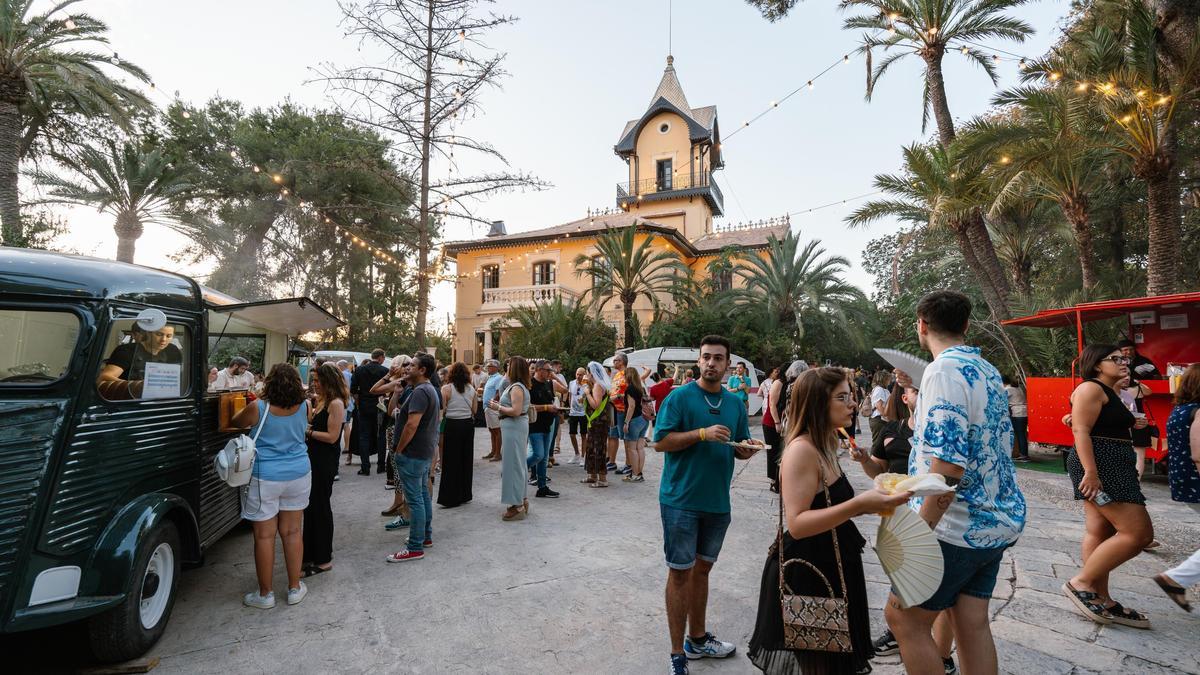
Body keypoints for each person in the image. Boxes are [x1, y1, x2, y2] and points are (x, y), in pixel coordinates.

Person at [886, 290, 1026, 675]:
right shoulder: (987, 370)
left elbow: (948, 467)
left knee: (904, 621)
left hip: (955, 528)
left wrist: (920, 531)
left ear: (922, 325)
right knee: (971, 622)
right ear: (966, 325)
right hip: (994, 520)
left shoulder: (942, 372)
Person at [749, 368, 911, 675]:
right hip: (808, 572)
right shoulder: (802, 451)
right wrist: (858, 505)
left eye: (850, 396)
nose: (852, 404)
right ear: (817, 403)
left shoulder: (827, 444)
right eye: (842, 397)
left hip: (830, 565)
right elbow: (797, 523)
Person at [653, 335, 763, 674]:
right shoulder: (679, 398)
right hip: (680, 501)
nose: (712, 363)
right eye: (706, 357)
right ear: (698, 362)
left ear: (728, 364)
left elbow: (738, 443)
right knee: (680, 573)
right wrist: (700, 434)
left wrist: (746, 449)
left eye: (718, 358)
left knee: (702, 571)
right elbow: (660, 442)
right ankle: (677, 654)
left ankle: (697, 640)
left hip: (717, 502)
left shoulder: (734, 404)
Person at [1061, 344, 1154, 627]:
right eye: (1115, 359)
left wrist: (1132, 424)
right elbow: (1081, 430)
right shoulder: (1091, 388)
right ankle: (1083, 582)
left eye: (1124, 358)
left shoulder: (1111, 392)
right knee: (1139, 533)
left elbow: (1090, 423)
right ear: (1097, 364)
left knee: (1100, 530)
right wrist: (1090, 472)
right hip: (1102, 466)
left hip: (1113, 462)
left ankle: (1102, 598)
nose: (1124, 362)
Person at [231, 364, 312, 608]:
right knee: (293, 532)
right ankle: (294, 588)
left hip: (265, 476)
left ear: (269, 383)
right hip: (299, 473)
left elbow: (236, 422)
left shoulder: (258, 407)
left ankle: (265, 594)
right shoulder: (305, 406)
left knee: (264, 536)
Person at [384, 353, 440, 563]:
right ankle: (425, 537)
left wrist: (399, 449)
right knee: (422, 496)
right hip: (422, 452)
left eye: (412, 365)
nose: (407, 368)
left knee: (415, 499)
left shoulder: (421, 392)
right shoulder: (427, 390)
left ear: (423, 370)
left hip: (413, 454)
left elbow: (411, 424)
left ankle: (415, 546)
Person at [1154, 363, 1200, 612]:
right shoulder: (1198, 412)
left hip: (1185, 480)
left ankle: (1177, 579)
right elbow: (1199, 453)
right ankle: (1176, 578)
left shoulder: (1181, 410)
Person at [302, 363, 347, 577]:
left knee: (320, 508)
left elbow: (331, 437)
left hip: (324, 461)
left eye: (318, 381)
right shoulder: (322, 401)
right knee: (311, 508)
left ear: (329, 382)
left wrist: (308, 431)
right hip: (314, 459)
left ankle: (323, 559)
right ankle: (311, 553)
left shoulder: (336, 404)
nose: (315, 384)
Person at [96, 321, 183, 400]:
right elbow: (105, 377)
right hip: (129, 401)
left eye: (169, 336)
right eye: (159, 334)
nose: (163, 340)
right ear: (148, 333)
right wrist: (137, 387)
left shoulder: (172, 350)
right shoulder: (127, 351)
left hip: (163, 400)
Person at [492, 356, 531, 520]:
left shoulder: (516, 388)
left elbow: (516, 411)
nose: (506, 368)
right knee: (518, 463)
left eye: (508, 366)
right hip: (514, 427)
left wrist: (497, 407)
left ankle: (516, 505)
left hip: (513, 427)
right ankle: (521, 499)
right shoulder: (517, 386)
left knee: (513, 465)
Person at [855, 385, 918, 478]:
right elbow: (879, 471)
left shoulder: (945, 432)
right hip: (897, 491)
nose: (924, 395)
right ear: (905, 398)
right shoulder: (891, 429)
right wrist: (865, 460)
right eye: (917, 391)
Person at [438, 361, 478, 508]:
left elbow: (442, 410)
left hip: (452, 425)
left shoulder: (446, 389)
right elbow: (474, 410)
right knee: (465, 459)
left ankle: (450, 496)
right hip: (467, 425)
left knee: (450, 461)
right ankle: (465, 493)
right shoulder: (471, 389)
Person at [527, 360, 568, 498]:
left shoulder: (550, 383)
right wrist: (546, 407)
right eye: (548, 370)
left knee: (544, 458)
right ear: (539, 370)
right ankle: (515, 469)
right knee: (538, 455)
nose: (550, 372)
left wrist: (555, 377)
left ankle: (542, 487)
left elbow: (566, 390)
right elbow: (527, 406)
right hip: (534, 425)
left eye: (551, 370)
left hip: (548, 424)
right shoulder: (529, 385)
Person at [349, 349, 389, 475]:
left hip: (364, 406)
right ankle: (381, 466)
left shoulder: (360, 370)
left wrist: (358, 403)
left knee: (364, 436)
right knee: (381, 435)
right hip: (380, 406)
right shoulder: (384, 371)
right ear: (381, 357)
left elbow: (353, 390)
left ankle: (365, 467)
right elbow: (388, 390)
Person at [582, 362, 613, 488]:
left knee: (598, 448)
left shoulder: (598, 386)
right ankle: (592, 475)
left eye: (587, 372)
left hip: (598, 422)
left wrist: (587, 394)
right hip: (596, 422)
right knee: (591, 448)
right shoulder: (596, 385)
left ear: (591, 373)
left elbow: (596, 405)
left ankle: (602, 479)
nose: (586, 375)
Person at [621, 367, 649, 482]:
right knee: (640, 448)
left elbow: (631, 407)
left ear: (628, 376)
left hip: (634, 420)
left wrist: (626, 422)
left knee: (631, 448)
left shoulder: (630, 389)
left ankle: (635, 474)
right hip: (644, 419)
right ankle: (639, 473)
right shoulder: (640, 388)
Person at [608, 352, 630, 472]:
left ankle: (628, 464)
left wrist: (620, 396)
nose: (614, 362)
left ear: (622, 362)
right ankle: (612, 462)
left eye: (616, 360)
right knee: (612, 436)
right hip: (613, 409)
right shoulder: (616, 375)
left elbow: (632, 390)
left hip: (623, 410)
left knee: (626, 438)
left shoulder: (628, 374)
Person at [481, 359, 505, 461]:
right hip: (488, 408)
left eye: (490, 366)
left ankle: (497, 453)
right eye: (488, 366)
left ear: (496, 368)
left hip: (493, 408)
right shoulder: (490, 377)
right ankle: (493, 451)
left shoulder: (498, 378)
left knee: (497, 430)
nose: (488, 368)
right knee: (492, 430)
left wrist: (492, 402)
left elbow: (498, 392)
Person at [1003, 374, 1030, 462]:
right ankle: (1023, 454)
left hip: (1017, 413)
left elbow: (1000, 399)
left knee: (1020, 434)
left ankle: (1024, 455)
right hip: (1024, 412)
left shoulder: (1008, 389)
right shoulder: (1018, 388)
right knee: (1022, 434)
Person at [567, 367, 589, 464]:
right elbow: (570, 396)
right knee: (572, 434)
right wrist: (570, 407)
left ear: (584, 374)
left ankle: (583, 457)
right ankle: (576, 454)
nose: (578, 376)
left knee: (584, 435)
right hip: (573, 413)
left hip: (583, 413)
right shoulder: (571, 383)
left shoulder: (587, 384)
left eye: (581, 374)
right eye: (577, 374)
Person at [867, 370, 892, 448]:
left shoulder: (881, 389)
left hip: (880, 419)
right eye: (888, 378)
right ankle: (873, 459)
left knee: (880, 443)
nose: (890, 380)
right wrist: (887, 417)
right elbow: (879, 406)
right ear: (883, 379)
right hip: (879, 420)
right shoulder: (879, 389)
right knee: (877, 444)